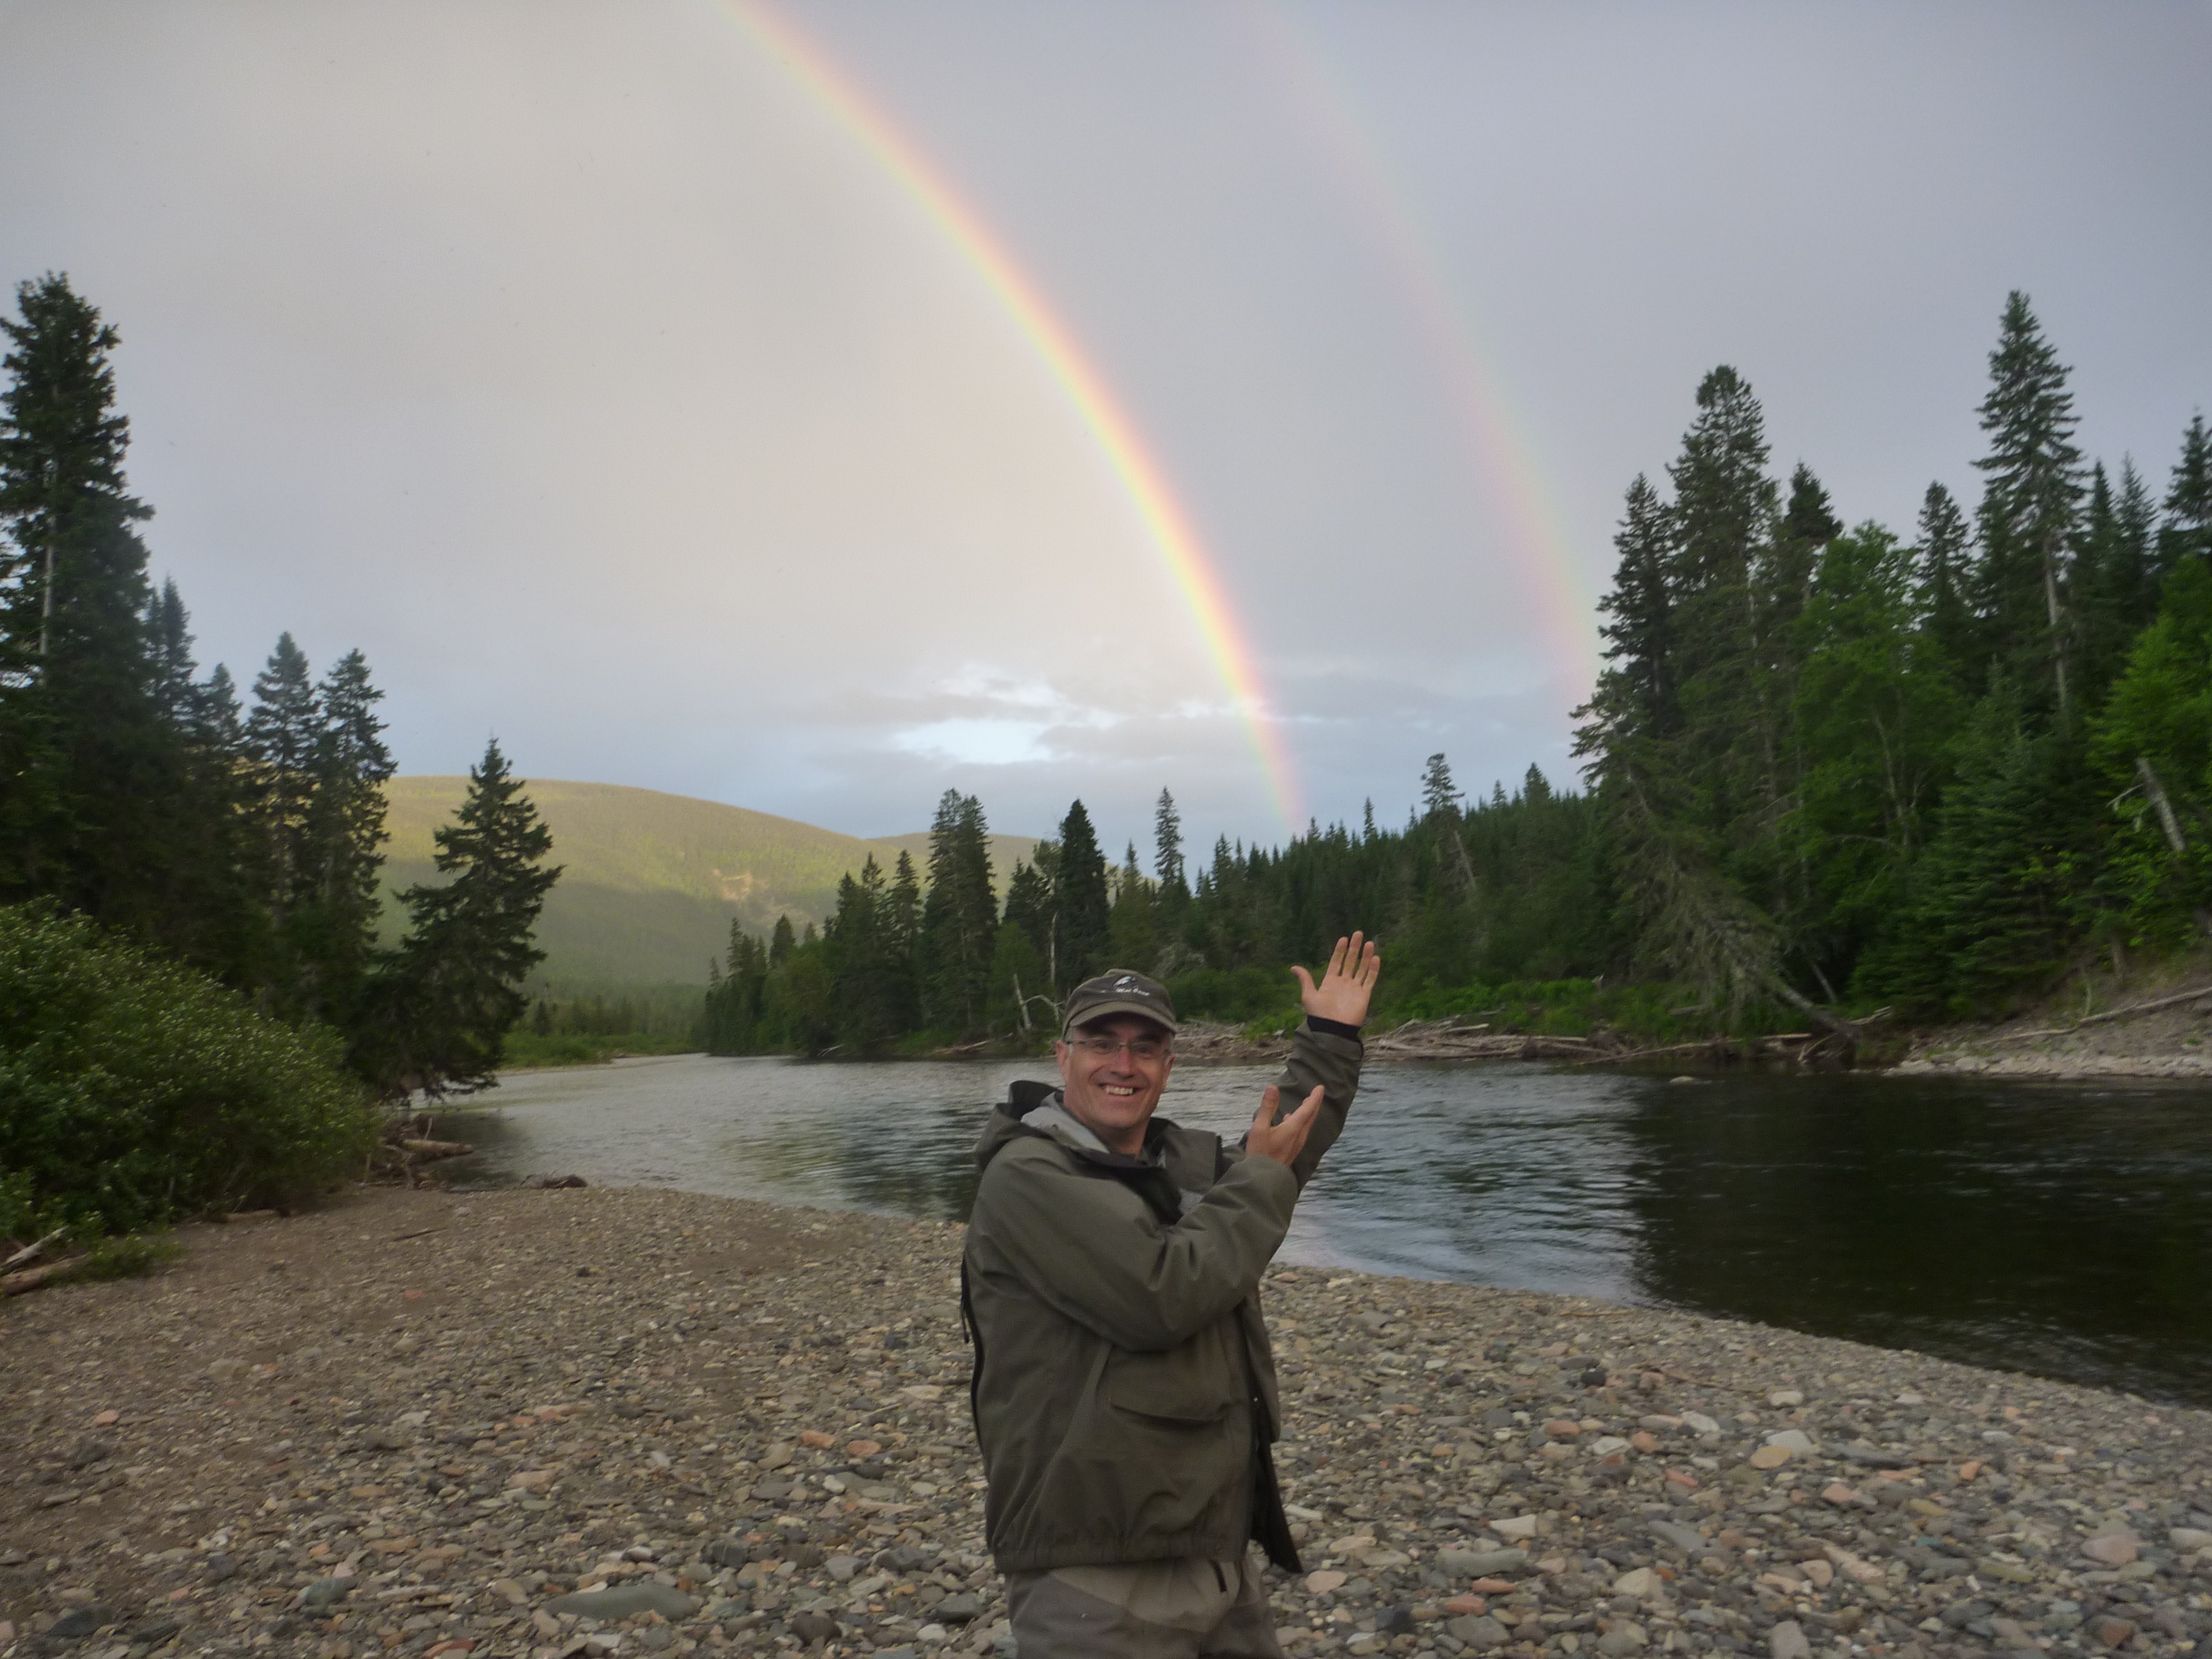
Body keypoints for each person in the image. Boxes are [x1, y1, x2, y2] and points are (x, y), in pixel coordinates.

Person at [962, 935, 1381, 1657]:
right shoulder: (1028, 1177)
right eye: (1101, 1043)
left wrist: (1332, 1038)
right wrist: (1258, 1177)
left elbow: (1284, 1158)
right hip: (1097, 1577)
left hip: (1212, 1549)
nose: (1122, 1064)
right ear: (1063, 1059)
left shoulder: (1174, 1162)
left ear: (1167, 1067)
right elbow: (1163, 1293)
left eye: (1145, 1047)